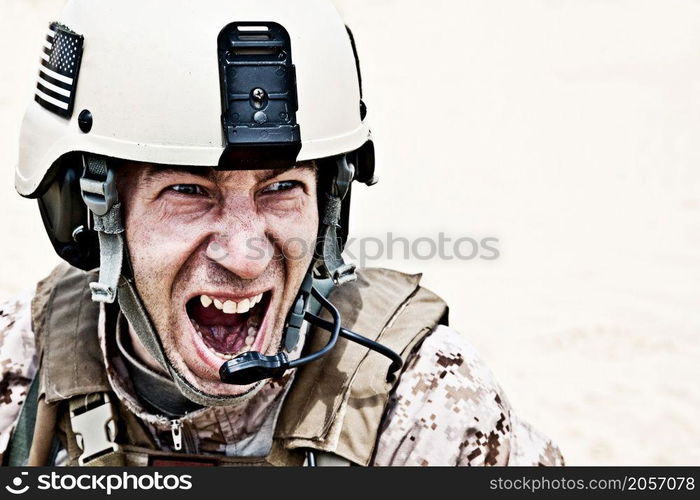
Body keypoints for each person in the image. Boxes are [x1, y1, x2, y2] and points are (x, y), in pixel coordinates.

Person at [0, 0, 564, 466]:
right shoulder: (19, 361)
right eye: (190, 192)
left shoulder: (426, 404)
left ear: (330, 209)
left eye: (281, 189)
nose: (246, 257)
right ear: (86, 209)